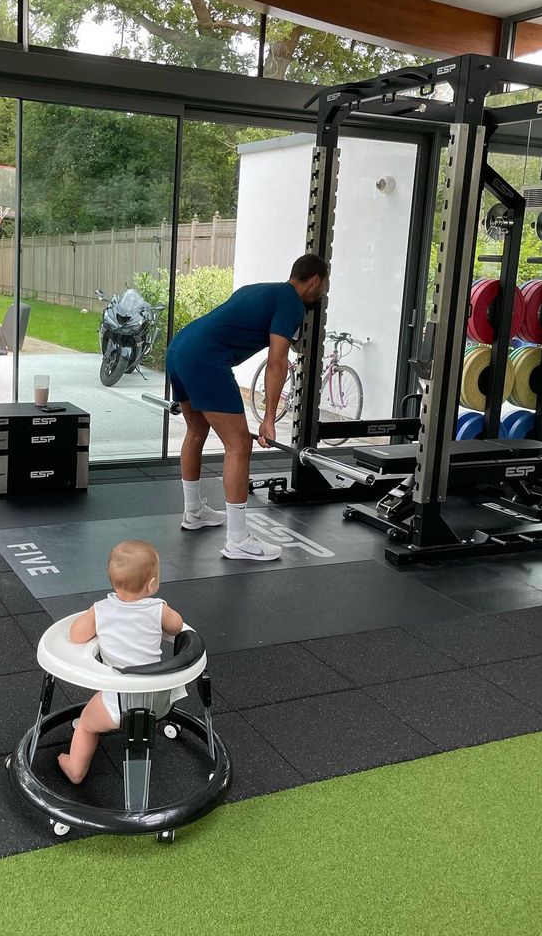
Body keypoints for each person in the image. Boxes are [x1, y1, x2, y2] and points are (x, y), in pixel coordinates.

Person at [165, 254, 329, 561]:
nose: (323, 293)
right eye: (325, 285)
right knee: (239, 444)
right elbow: (278, 361)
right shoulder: (291, 303)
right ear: (316, 280)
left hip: (179, 348)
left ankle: (194, 513)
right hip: (205, 359)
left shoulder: (261, 289)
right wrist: (269, 418)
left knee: (196, 432)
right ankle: (238, 539)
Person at [58, 540, 184, 785]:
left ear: (113, 583)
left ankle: (75, 768)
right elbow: (177, 626)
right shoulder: (158, 609)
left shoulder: (102, 609)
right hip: (159, 698)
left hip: (118, 704)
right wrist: (164, 612)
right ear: (152, 584)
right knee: (130, 696)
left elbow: (76, 635)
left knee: (85, 723)